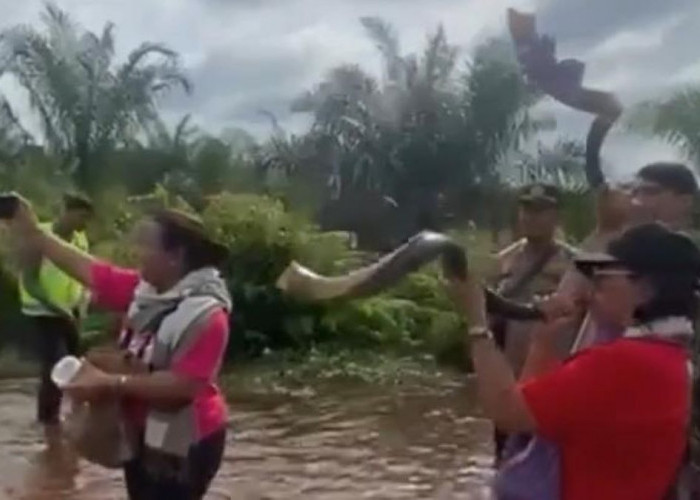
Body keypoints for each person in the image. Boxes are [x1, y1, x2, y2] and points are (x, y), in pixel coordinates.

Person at [449, 223, 696, 500]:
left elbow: (507, 411)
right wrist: (544, 342)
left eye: (603, 278)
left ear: (645, 290)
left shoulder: (625, 362)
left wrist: (477, 324)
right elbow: (529, 416)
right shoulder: (665, 355)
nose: (591, 289)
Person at [9, 197, 231, 500]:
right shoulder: (147, 293)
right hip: (141, 432)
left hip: (187, 440)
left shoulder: (207, 315)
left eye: (145, 245)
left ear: (175, 256)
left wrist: (112, 383)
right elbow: (89, 270)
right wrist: (34, 233)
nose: (134, 252)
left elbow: (185, 386)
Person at [489, 183, 576, 462]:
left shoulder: (574, 263)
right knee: (505, 460)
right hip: (511, 377)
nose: (531, 217)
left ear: (556, 216)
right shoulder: (503, 261)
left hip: (554, 378)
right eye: (526, 209)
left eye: (540, 211)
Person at [17, 193, 93, 447]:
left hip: (70, 312)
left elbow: (84, 277)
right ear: (67, 212)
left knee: (71, 367)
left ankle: (60, 421)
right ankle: (47, 427)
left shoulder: (81, 240)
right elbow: (30, 281)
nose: (85, 223)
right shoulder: (38, 237)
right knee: (54, 366)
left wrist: (82, 306)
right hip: (42, 311)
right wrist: (59, 308)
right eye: (82, 216)